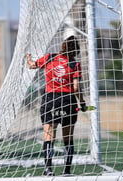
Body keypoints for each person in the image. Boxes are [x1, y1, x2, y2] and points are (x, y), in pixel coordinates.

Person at [27, 35, 87, 176]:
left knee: (49, 137)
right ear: (75, 51)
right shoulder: (74, 64)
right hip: (68, 101)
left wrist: (28, 57)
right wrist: (82, 103)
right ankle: (66, 171)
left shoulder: (49, 58)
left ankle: (48, 169)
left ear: (62, 47)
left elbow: (31, 65)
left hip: (51, 100)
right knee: (68, 138)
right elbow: (76, 88)